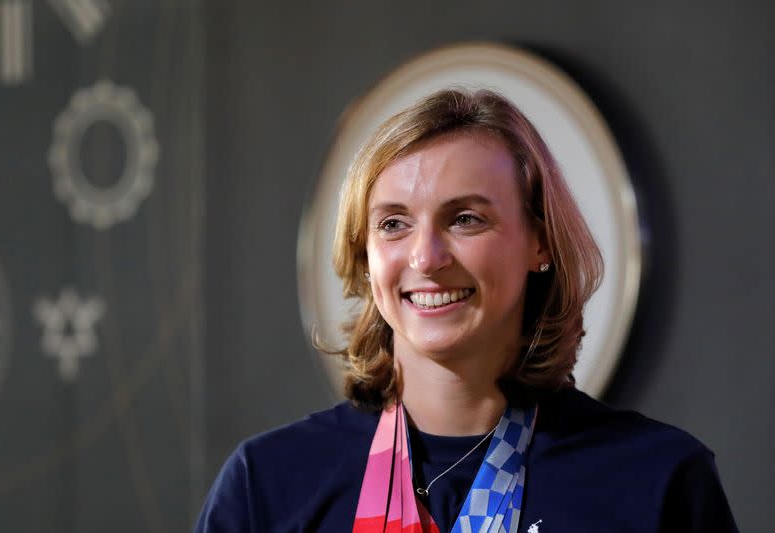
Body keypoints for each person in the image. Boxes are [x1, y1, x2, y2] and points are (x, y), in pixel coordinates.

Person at [194, 89, 738, 532]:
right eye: (393, 223)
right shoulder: (265, 484)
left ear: (540, 244)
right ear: (365, 252)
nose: (426, 258)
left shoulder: (656, 480)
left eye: (466, 219)